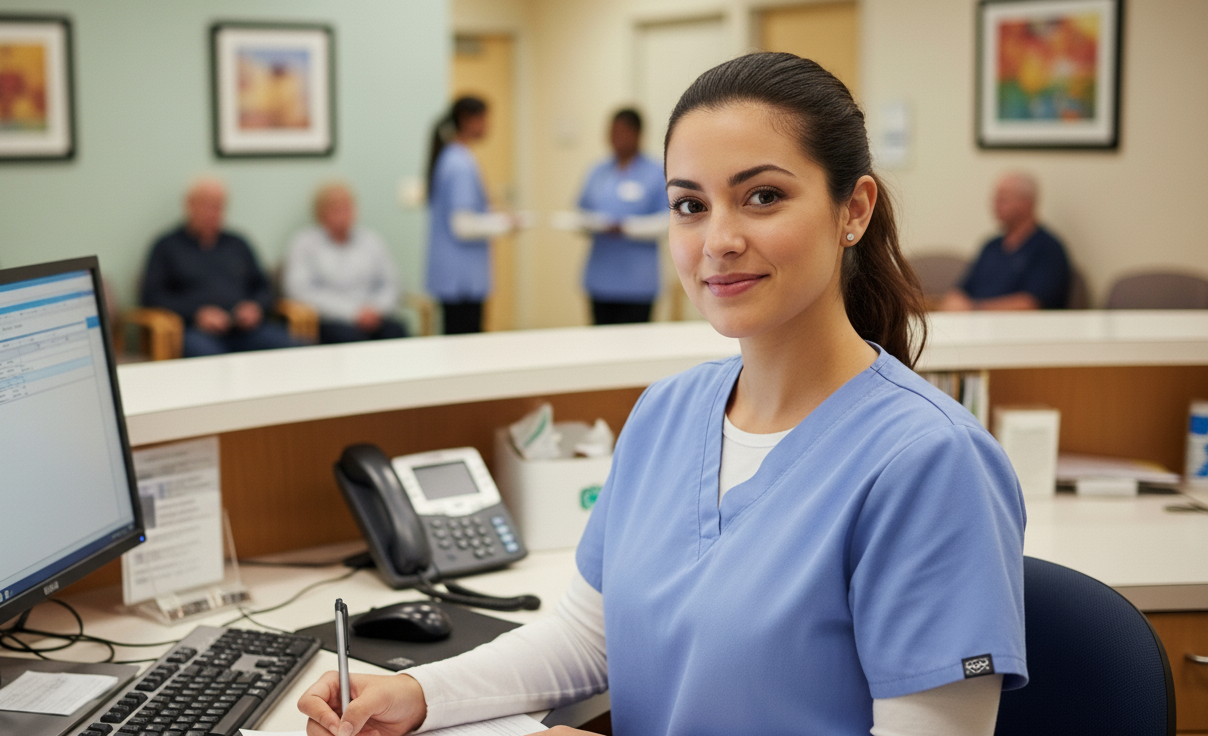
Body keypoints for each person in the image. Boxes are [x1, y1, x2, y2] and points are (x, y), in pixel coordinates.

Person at [299, 53, 1026, 736]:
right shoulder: (666, 414)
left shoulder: (930, 463)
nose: (719, 239)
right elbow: (589, 639)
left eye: (763, 197)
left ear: (854, 210)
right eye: (689, 205)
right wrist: (423, 695)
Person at [140, 177, 303, 358]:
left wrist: (255, 307)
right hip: (196, 331)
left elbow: (264, 288)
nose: (213, 212)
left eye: (219, 206)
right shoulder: (167, 246)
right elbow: (152, 296)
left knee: (298, 349)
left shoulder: (238, 243)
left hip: (246, 330)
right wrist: (196, 313)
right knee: (212, 360)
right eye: (207, 205)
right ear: (189, 205)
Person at [424, 96, 517, 334]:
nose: (489, 126)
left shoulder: (451, 158)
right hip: (462, 280)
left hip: (455, 276)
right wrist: (504, 224)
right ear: (467, 120)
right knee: (465, 346)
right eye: (484, 119)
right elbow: (463, 226)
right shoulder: (460, 164)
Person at [575, 108, 670, 324]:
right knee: (601, 343)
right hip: (600, 277)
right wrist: (588, 223)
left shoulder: (655, 172)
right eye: (611, 132)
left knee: (637, 345)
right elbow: (582, 211)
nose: (614, 138)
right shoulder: (598, 171)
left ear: (637, 134)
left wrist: (627, 228)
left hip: (638, 281)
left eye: (621, 132)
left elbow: (669, 221)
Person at [283, 182, 408, 343]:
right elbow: (300, 290)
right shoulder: (304, 244)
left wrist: (376, 309)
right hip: (332, 319)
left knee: (397, 332)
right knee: (350, 338)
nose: (343, 214)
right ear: (320, 213)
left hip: (374, 315)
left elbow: (392, 282)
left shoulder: (371, 241)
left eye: (348, 207)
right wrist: (353, 312)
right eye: (336, 209)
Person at [941, 171, 1071, 310]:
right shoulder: (990, 246)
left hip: (1021, 328)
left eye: (1003, 199)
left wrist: (974, 309)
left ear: (1027, 203)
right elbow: (960, 291)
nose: (995, 204)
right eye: (995, 198)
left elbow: (1030, 304)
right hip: (976, 326)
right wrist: (952, 302)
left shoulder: (1048, 248)